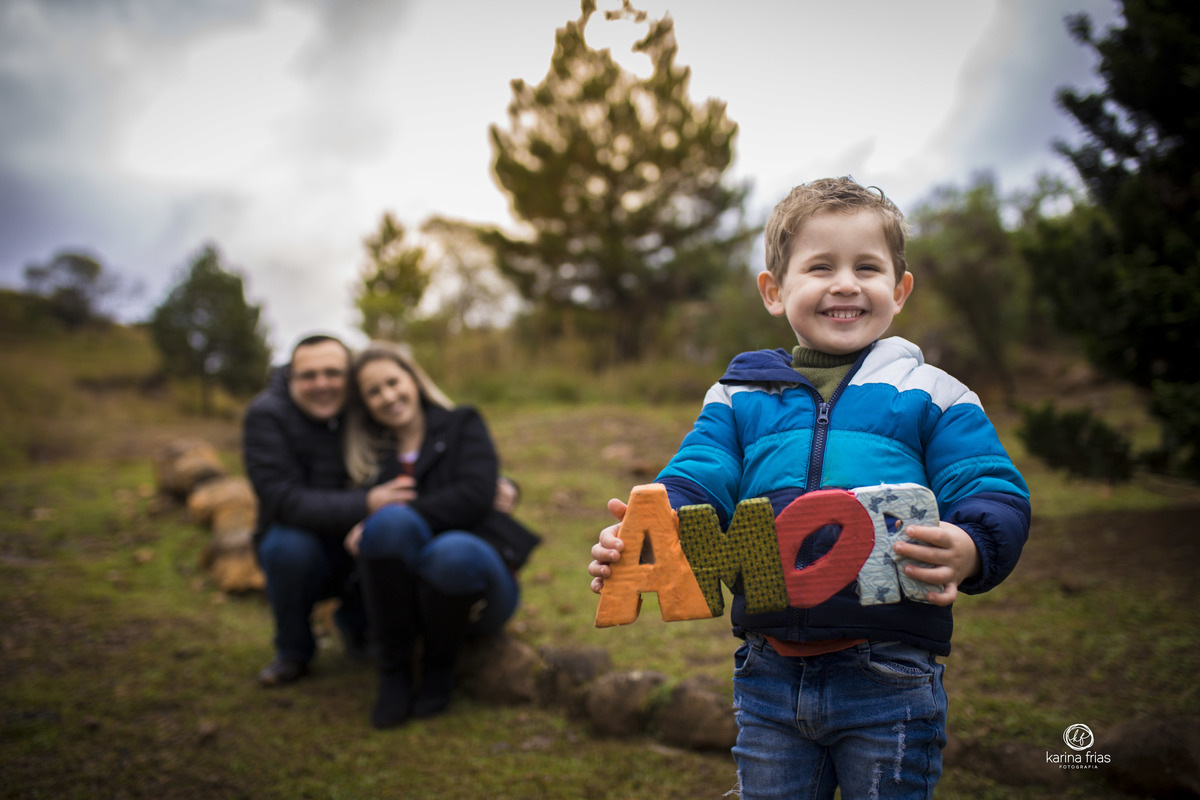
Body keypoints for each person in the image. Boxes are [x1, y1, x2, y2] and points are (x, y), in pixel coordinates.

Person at [588, 177, 1030, 799]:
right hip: (767, 671)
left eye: (867, 267)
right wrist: (648, 535)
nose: (845, 283)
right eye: (820, 266)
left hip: (889, 668)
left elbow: (990, 484)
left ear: (899, 291)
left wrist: (973, 542)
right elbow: (698, 474)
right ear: (775, 291)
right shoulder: (740, 396)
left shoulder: (933, 394)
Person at [243, 334, 520, 688]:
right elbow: (280, 496)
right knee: (288, 548)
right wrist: (367, 506)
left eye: (333, 373)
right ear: (290, 376)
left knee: (408, 545)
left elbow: (430, 460)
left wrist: (500, 483)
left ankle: (367, 629)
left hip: (368, 540)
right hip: (314, 534)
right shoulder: (268, 416)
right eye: (309, 375)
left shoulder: (363, 410)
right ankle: (294, 650)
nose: (322, 383)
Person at [341, 341, 540, 730]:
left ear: (413, 379)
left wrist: (393, 515)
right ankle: (394, 674)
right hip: (403, 596)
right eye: (373, 391)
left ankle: (440, 668)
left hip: (478, 579)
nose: (387, 396)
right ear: (363, 403)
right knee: (390, 525)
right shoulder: (369, 456)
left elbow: (476, 493)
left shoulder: (462, 423)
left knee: (446, 549)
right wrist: (373, 516)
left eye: (392, 382)